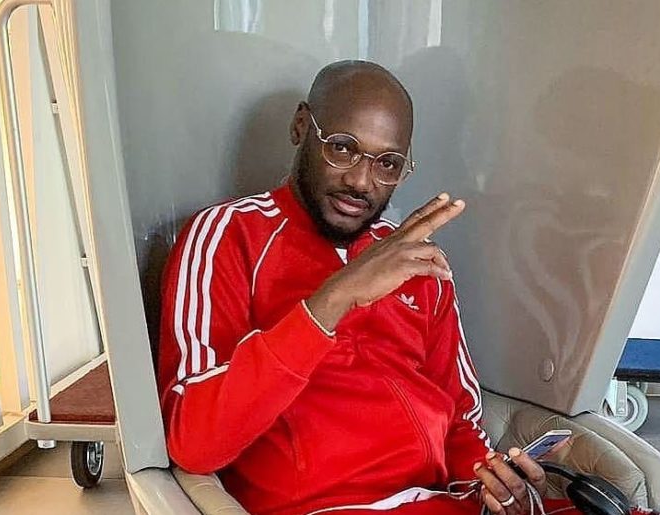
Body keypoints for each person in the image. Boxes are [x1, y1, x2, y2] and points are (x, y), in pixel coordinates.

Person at [157, 61, 586, 515]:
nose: (361, 182)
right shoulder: (227, 236)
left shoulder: (415, 260)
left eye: (388, 164)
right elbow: (193, 442)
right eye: (342, 148)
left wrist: (495, 488)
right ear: (301, 126)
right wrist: (337, 295)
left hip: (444, 504)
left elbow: (461, 422)